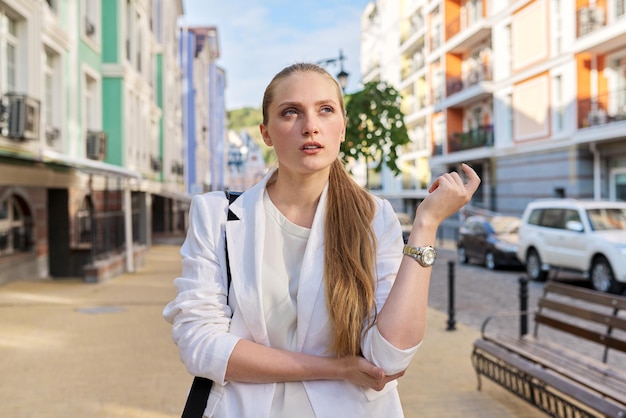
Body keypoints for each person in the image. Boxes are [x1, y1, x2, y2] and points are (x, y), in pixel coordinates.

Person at [163, 62, 481, 418]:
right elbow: (201, 346)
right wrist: (336, 368)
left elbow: (389, 358)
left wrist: (427, 223)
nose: (310, 126)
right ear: (266, 133)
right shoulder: (215, 215)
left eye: (325, 110)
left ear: (343, 127)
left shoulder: (375, 218)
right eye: (291, 112)